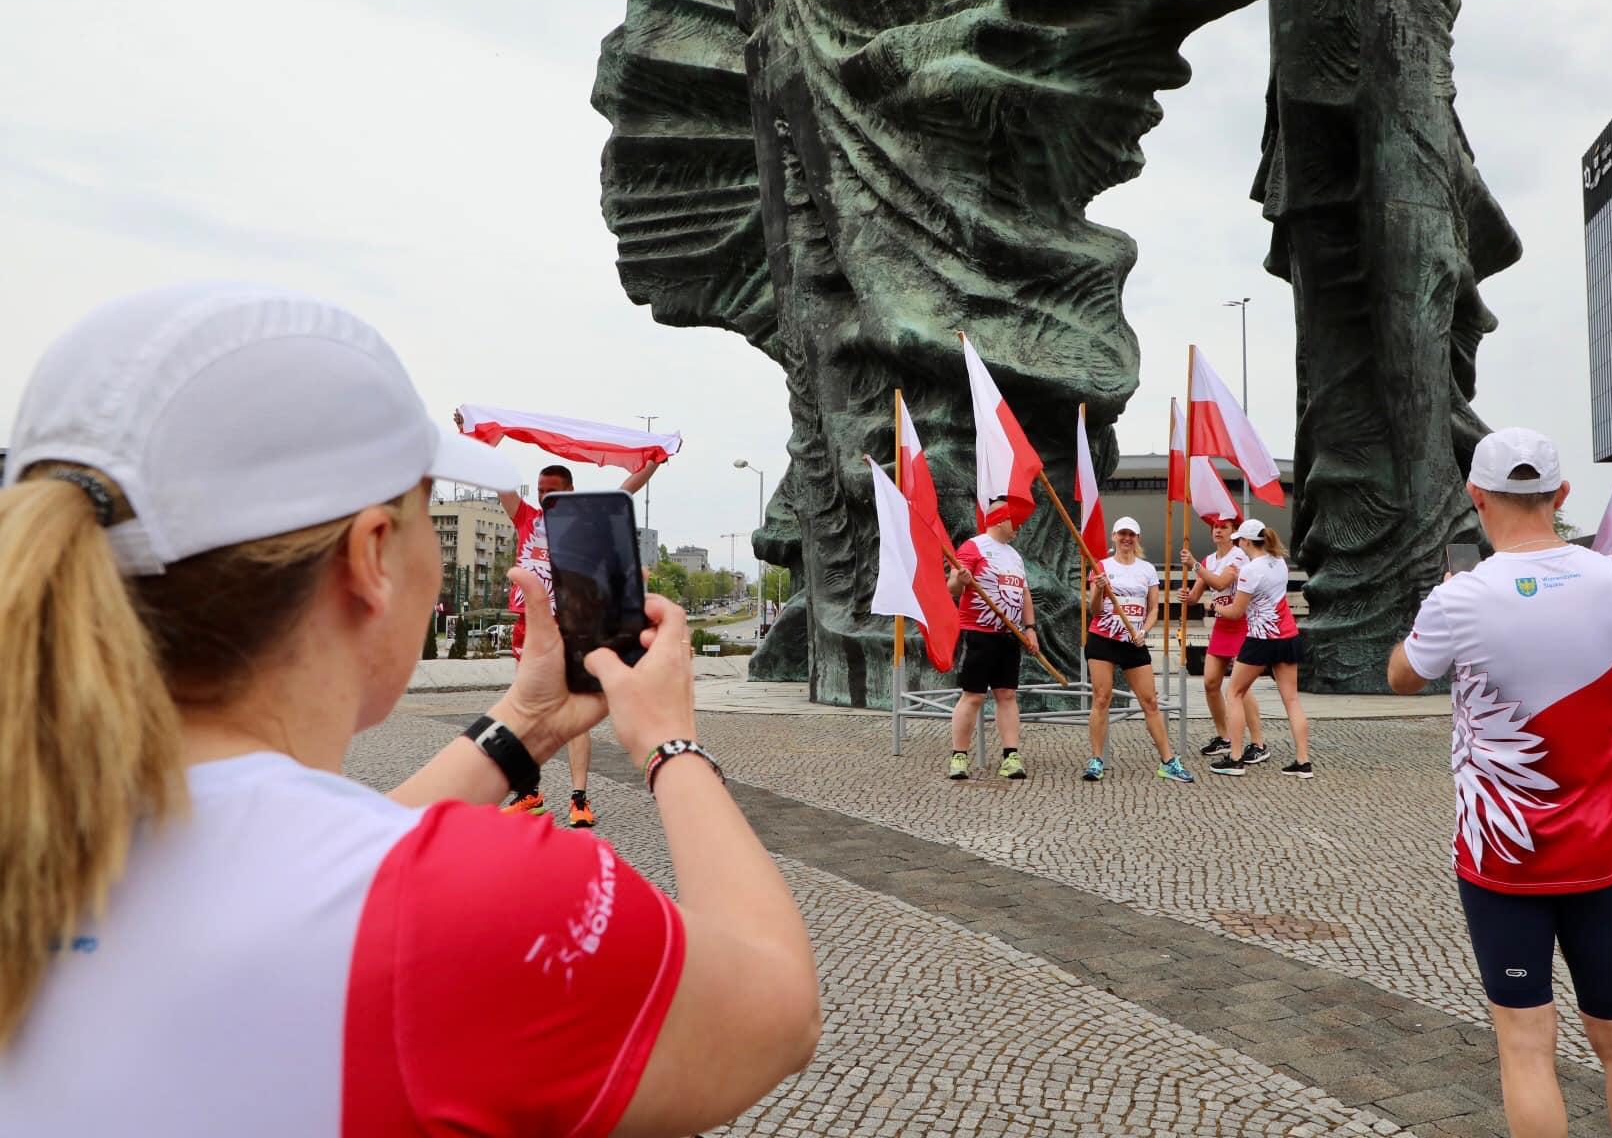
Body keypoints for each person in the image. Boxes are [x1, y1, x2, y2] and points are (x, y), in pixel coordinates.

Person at [0, 284, 819, 1136]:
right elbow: (776, 1004)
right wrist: (669, 744)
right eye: (429, 511)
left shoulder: (45, 831)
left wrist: (526, 725)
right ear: (372, 557)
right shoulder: (472, 902)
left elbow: (320, 868)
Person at [1385, 427, 1612, 1138]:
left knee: (1524, 1045)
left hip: (1505, 856)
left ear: (1475, 497)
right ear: (1561, 495)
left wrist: (1442, 603)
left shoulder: (1460, 600)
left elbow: (1402, 676)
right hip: (1604, 849)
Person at [451, 412, 660, 829]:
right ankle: (529, 793)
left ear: (568, 491)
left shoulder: (584, 520)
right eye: (541, 489)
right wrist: (473, 435)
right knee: (526, 712)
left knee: (575, 710)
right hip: (529, 627)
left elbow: (626, 489)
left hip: (573, 627)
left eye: (552, 491)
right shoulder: (525, 517)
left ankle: (579, 798)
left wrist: (654, 459)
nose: (544, 496)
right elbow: (496, 477)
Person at [1082, 517, 1195, 783]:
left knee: (1150, 701)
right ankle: (1096, 759)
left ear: (1138, 538)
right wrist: (1098, 590)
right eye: (1122, 534)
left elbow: (1154, 607)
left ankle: (1168, 761)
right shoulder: (1101, 567)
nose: (1126, 538)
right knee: (1101, 698)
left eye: (1131, 534)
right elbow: (1094, 610)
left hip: (1134, 641)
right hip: (1103, 640)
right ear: (1113, 536)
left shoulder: (1146, 570)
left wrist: (1144, 630)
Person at [946, 497, 1039, 780]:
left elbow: (1023, 593)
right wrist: (960, 580)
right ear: (1000, 519)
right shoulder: (973, 547)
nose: (1019, 527)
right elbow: (952, 588)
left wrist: (1030, 627)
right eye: (1015, 520)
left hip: (1009, 636)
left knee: (1007, 694)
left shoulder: (1015, 556)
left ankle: (1011, 756)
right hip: (980, 634)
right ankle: (958, 757)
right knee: (973, 695)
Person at [1210, 519, 1310, 778]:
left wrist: (1214, 607)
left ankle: (1235, 758)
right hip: (1287, 636)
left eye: (1238, 541)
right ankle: (1303, 761)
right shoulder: (1279, 563)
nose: (1238, 546)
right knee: (1292, 699)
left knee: (1234, 693)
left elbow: (1235, 612)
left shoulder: (1250, 570)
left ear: (1244, 541)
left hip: (1260, 639)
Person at [1179, 518, 1263, 759]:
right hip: (1221, 625)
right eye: (1214, 527)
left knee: (1241, 687)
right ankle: (1224, 736)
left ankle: (1258, 742)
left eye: (1223, 527)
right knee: (1210, 683)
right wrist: (1187, 595)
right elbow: (1196, 594)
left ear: (1233, 532)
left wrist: (1194, 564)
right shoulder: (1208, 561)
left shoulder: (1238, 556)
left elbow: (1221, 582)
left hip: (1241, 623)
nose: (1218, 530)